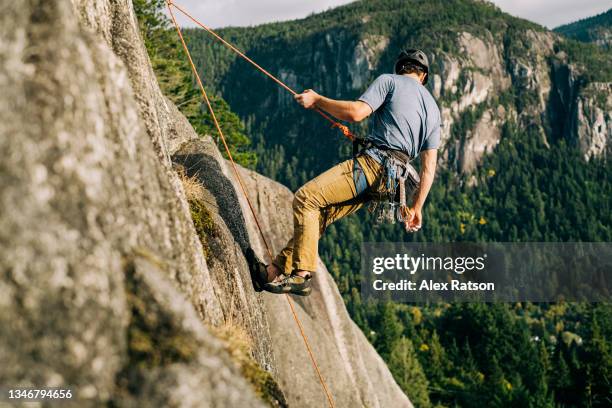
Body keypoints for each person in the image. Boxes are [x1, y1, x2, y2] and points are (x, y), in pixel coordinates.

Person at [247, 49, 441, 296]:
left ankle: (302, 275)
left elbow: (356, 113)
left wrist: (317, 100)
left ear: (401, 68)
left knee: (307, 199)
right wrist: (417, 207)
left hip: (372, 166)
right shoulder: (434, 110)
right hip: (391, 184)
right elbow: (429, 167)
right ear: (423, 75)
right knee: (321, 213)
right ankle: (272, 272)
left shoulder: (390, 81)